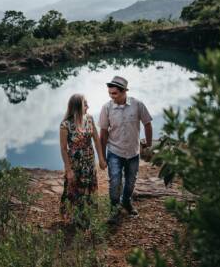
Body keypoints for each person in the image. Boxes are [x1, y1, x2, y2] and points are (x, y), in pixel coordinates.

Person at [98, 76, 152, 223]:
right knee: (115, 182)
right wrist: (102, 157)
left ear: (123, 92)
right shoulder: (106, 108)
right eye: (110, 93)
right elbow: (103, 134)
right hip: (114, 152)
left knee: (130, 182)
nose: (111, 96)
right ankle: (114, 210)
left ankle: (126, 202)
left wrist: (149, 144)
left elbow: (147, 123)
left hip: (133, 153)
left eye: (114, 93)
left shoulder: (137, 105)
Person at [59, 94, 107, 224]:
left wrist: (101, 159)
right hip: (75, 163)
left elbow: (96, 140)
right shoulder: (65, 125)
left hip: (89, 161)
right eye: (85, 104)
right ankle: (74, 217)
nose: (88, 106)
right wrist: (68, 170)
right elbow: (63, 148)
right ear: (77, 107)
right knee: (75, 188)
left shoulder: (90, 119)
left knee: (89, 187)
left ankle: (88, 215)